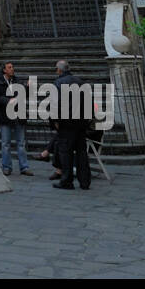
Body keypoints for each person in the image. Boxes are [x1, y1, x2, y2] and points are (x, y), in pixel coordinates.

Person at [51, 60, 91, 191]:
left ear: (59, 70)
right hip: (81, 123)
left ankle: (67, 181)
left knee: (65, 153)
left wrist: (55, 121)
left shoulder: (58, 83)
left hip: (66, 123)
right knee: (81, 152)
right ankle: (85, 182)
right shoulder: (80, 82)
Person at [0, 61, 32, 176]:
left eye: (12, 67)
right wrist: (8, 101)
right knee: (5, 143)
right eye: (10, 67)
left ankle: (24, 167)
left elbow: (25, 95)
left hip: (19, 116)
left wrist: (28, 87)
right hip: (5, 116)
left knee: (21, 143)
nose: (12, 69)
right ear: (4, 70)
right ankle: (7, 167)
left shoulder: (17, 81)